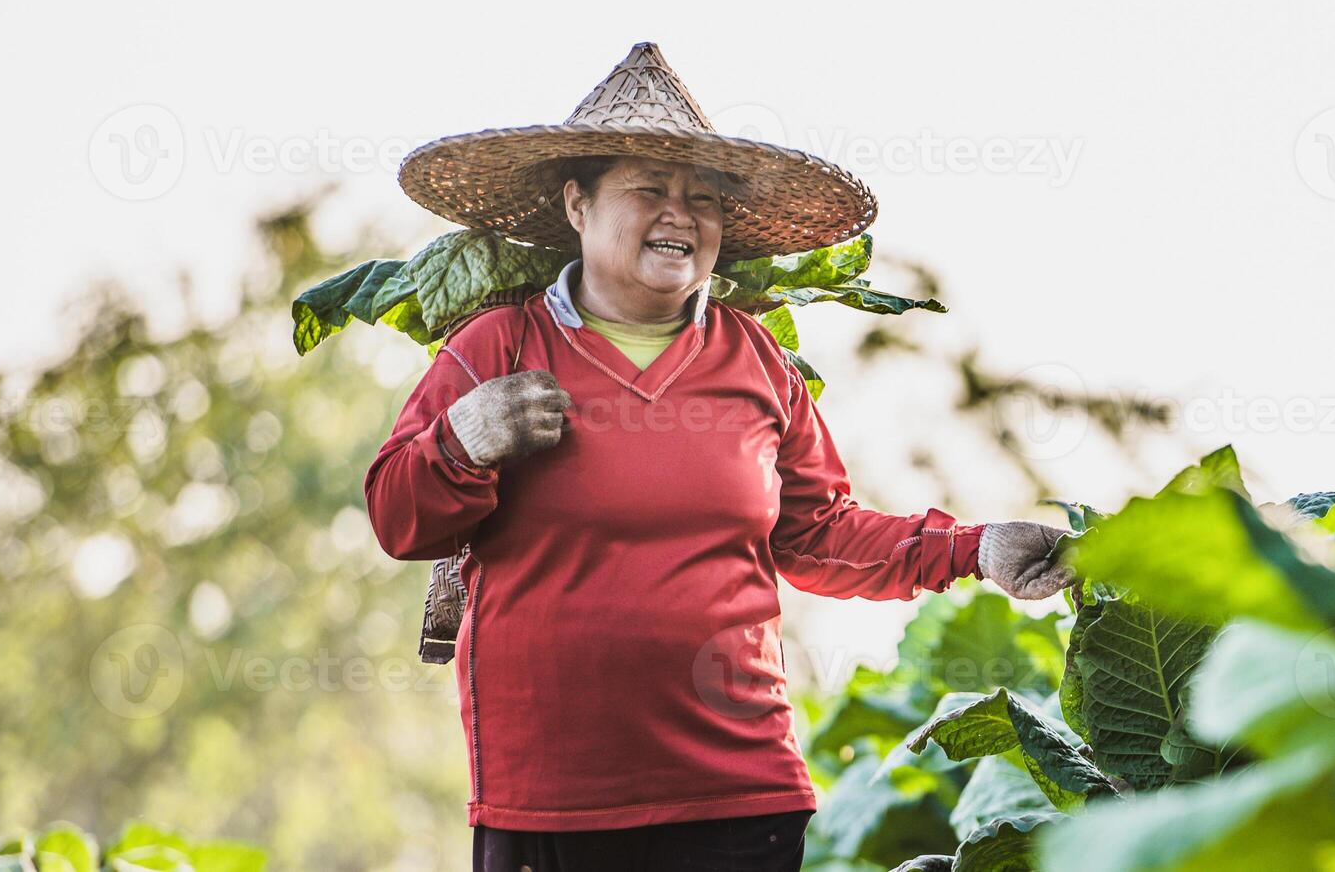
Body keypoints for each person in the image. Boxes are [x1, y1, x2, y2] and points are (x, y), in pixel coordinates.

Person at [366, 43, 1076, 872]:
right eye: (649, 189)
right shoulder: (499, 345)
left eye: (702, 198)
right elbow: (396, 518)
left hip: (741, 795)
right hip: (549, 797)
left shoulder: (757, 363)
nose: (682, 214)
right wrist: (464, 439)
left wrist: (976, 548)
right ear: (577, 205)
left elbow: (819, 535)